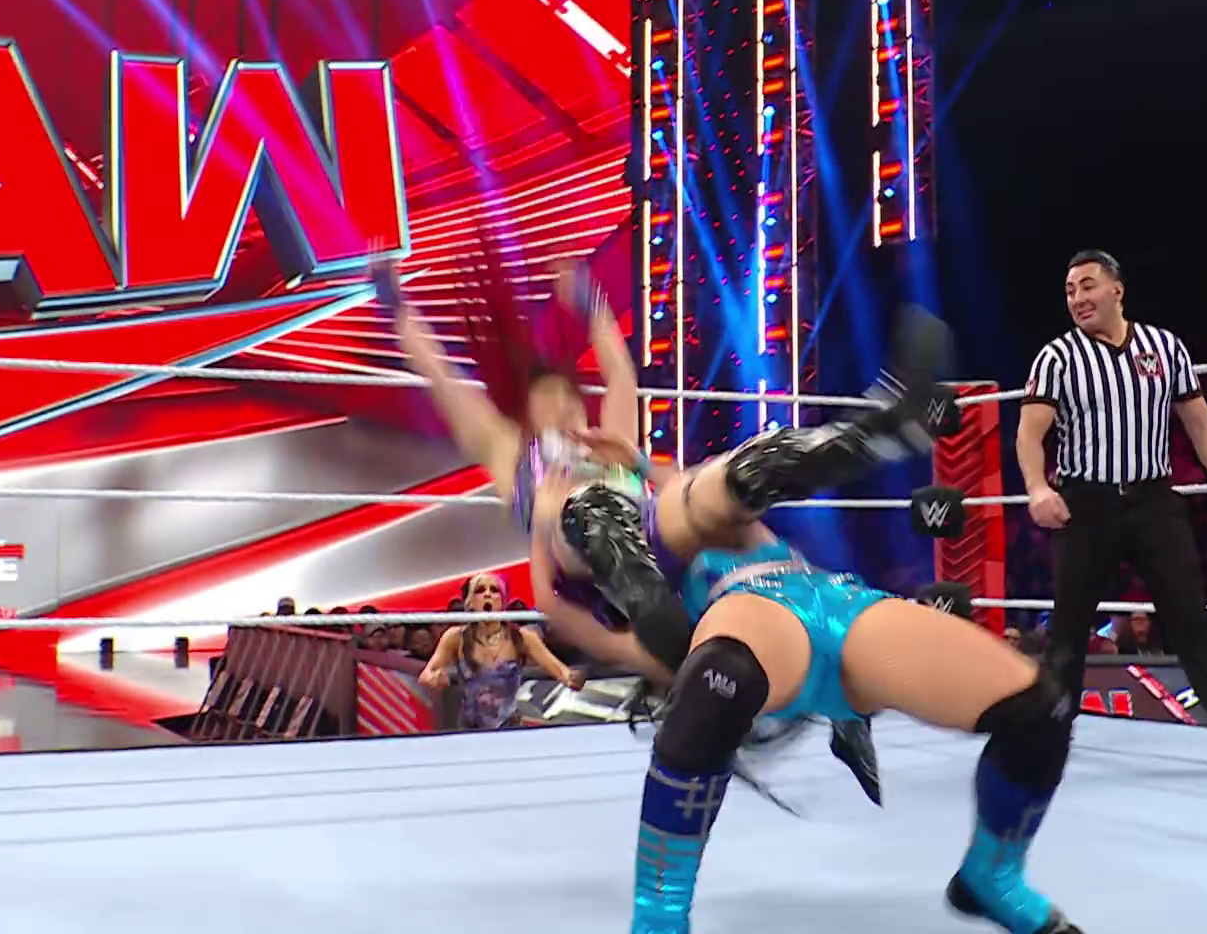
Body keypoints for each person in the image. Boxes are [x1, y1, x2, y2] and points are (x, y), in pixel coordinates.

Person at [379, 228, 942, 797]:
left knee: (731, 477)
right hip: (600, 574)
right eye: (547, 403)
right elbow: (445, 382)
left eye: (569, 397)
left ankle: (878, 433)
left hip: (662, 542)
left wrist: (591, 302)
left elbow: (620, 373)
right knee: (591, 509)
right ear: (525, 413)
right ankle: (687, 650)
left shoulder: (609, 439)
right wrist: (396, 304)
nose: (564, 410)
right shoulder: (515, 458)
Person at [524, 465, 1082, 934]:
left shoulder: (688, 510)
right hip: (757, 650)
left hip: (840, 611)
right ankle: (658, 921)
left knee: (1042, 708)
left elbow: (697, 479)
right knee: (719, 679)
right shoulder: (636, 612)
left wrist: (628, 460)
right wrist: (546, 525)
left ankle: (991, 876)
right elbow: (560, 603)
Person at [1016, 249, 1207, 771]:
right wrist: (1036, 488)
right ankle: (1047, 736)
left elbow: (1200, 423)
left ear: (1117, 290)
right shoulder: (1058, 357)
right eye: (1070, 290)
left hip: (1153, 500)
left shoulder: (1164, 347)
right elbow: (1030, 433)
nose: (1077, 298)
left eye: (1088, 286)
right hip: (1086, 503)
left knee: (1190, 617)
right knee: (1070, 627)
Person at [418, 573, 584, 729]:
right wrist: (435, 679)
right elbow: (426, 675)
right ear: (470, 603)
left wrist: (575, 677)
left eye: (494, 590)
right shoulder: (456, 637)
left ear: (503, 602)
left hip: (510, 727)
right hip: (470, 728)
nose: (488, 594)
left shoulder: (523, 637)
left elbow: (562, 673)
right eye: (480, 590)